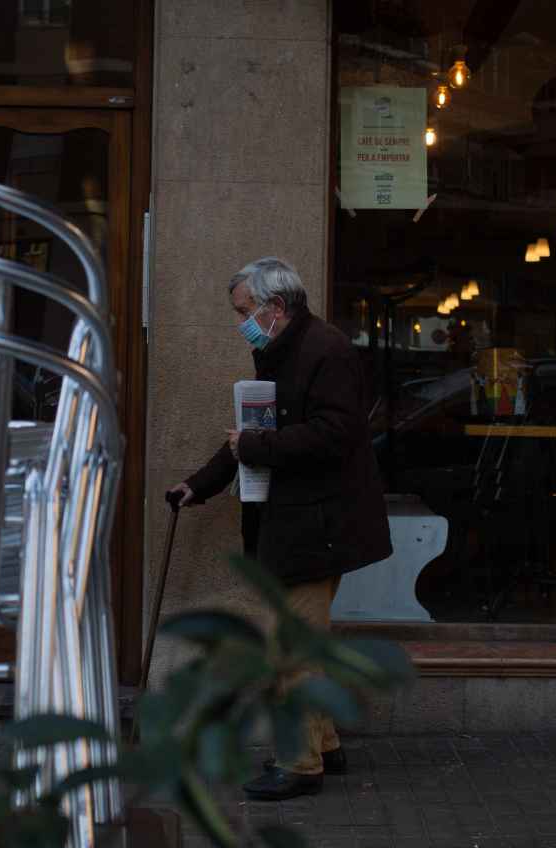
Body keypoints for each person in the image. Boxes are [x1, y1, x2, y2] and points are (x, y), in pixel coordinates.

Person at [167, 257, 392, 801]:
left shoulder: (326, 351)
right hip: (301, 521)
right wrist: (200, 484)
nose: (240, 321)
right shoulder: (281, 350)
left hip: (318, 524)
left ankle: (299, 763)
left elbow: (335, 434)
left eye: (245, 311)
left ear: (276, 307)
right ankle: (326, 745)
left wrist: (255, 448)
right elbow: (251, 434)